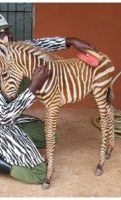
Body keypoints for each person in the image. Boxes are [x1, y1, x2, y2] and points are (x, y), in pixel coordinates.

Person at [0, 14, 97, 184]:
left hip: (9, 120)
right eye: (2, 34)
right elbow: (3, 116)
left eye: (8, 31)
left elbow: (34, 46)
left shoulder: (7, 51)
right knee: (38, 173)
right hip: (3, 120)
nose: (9, 36)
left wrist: (71, 41)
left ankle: (15, 143)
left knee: (51, 137)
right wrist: (33, 88)